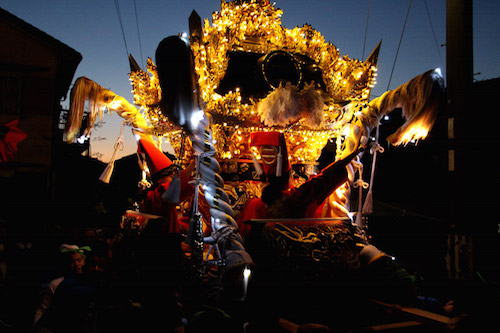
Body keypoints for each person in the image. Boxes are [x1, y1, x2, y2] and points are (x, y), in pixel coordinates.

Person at [33, 244, 91, 330]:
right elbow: (43, 308)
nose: (76, 264)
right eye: (72, 262)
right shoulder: (56, 284)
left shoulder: (90, 281)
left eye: (79, 260)